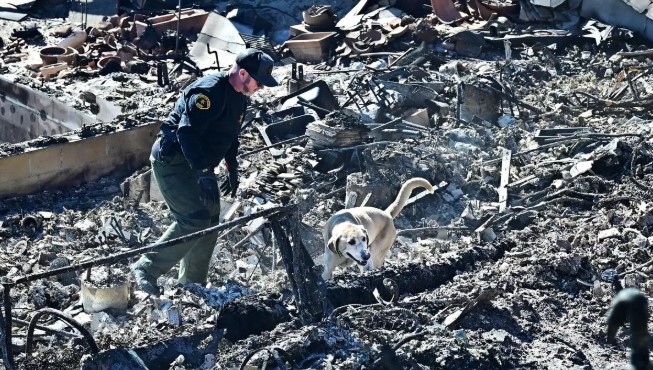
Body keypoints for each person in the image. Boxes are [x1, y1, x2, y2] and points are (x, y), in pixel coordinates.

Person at [131, 48, 279, 295]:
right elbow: (186, 133)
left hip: (199, 164)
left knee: (210, 222)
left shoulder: (240, 96)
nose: (260, 88)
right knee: (193, 219)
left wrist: (232, 166)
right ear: (242, 73)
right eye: (259, 82)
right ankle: (145, 269)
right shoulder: (208, 92)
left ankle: (192, 284)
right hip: (174, 162)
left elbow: (230, 134)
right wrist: (203, 174)